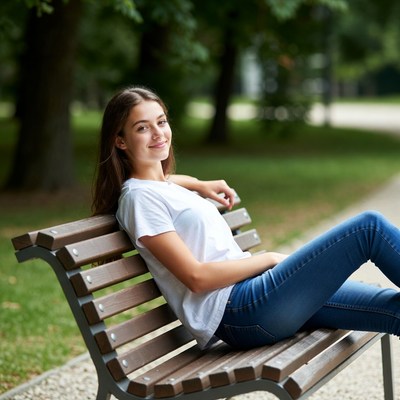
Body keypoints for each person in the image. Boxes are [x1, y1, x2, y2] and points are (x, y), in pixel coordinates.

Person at [92, 86, 400, 350]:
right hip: (239, 309)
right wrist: (268, 259)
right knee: (368, 229)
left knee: (392, 308)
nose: (158, 133)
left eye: (161, 121)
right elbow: (196, 278)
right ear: (120, 141)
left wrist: (199, 184)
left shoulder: (159, 185)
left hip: (255, 299)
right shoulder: (138, 199)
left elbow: (166, 180)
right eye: (142, 128)